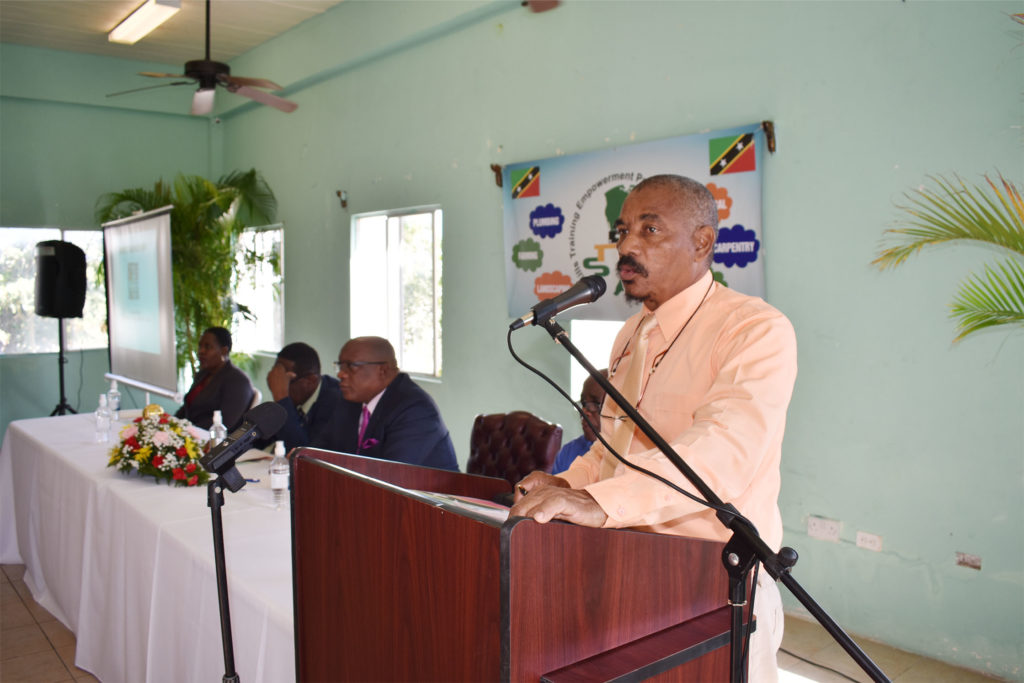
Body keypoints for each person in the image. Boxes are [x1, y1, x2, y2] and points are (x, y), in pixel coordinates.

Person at [509, 174, 797, 681]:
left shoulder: (754, 329)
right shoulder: (631, 332)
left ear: (702, 242)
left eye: (650, 230)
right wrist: (566, 485)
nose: (627, 247)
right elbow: (612, 448)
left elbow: (720, 454)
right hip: (629, 572)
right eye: (622, 231)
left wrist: (597, 502)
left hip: (716, 586)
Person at [323, 336, 459, 471]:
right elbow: (322, 453)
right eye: (340, 366)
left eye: (352, 366)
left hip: (421, 486)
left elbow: (392, 475)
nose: (341, 374)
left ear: (383, 370)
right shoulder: (350, 401)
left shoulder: (414, 409)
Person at [263, 342, 342, 451]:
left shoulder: (336, 402)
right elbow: (262, 438)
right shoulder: (299, 397)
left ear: (311, 380)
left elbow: (304, 454)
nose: (278, 386)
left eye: (285, 382)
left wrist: (281, 396)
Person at [175, 326, 255, 431]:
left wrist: (186, 429)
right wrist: (172, 422)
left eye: (207, 347)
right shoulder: (203, 373)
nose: (201, 351)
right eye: (200, 346)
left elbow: (225, 421)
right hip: (188, 431)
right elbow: (188, 407)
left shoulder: (238, 381)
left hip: (211, 437)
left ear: (224, 351)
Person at [550, 370, 608, 475]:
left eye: (594, 404)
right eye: (583, 403)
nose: (584, 412)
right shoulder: (568, 452)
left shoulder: (629, 456)